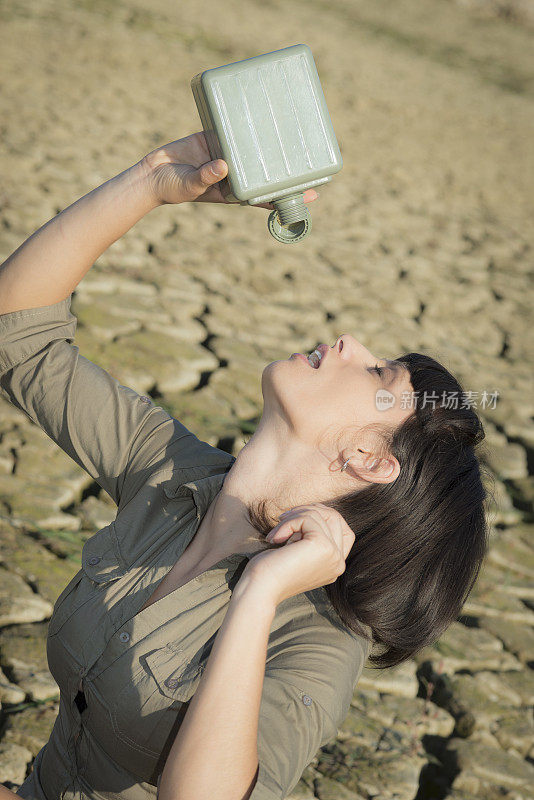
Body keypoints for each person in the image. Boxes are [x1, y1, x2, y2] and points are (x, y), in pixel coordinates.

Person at [0, 132, 489, 800]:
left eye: (377, 371)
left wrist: (258, 595)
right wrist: (151, 181)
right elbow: (20, 337)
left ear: (368, 460)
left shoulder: (319, 643)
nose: (349, 341)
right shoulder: (172, 472)